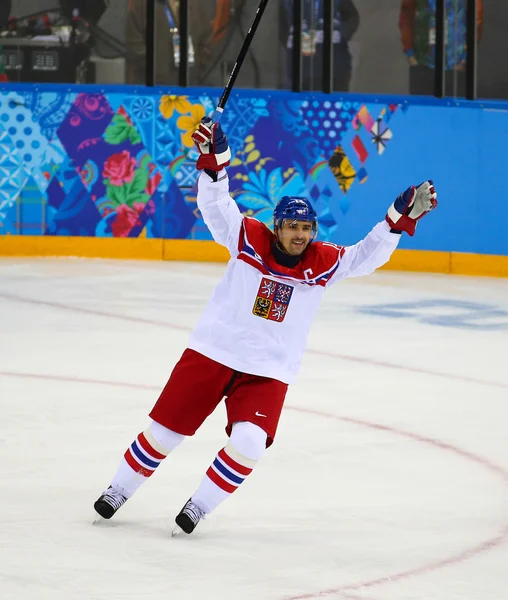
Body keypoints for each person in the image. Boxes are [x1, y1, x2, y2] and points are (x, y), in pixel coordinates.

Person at [93, 116, 438, 536]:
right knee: (164, 434)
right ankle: (118, 491)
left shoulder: (322, 262)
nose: (300, 234)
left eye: (307, 227)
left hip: (268, 370)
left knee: (250, 444)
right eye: (292, 226)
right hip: (212, 351)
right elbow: (216, 207)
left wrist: (394, 222)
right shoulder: (247, 238)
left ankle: (198, 507)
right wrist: (215, 164)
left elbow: (365, 256)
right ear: (277, 227)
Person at [399, 0, 483, 97]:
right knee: (423, 106)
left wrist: (466, 55)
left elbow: (476, 18)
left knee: (454, 107)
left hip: (455, 61)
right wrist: (410, 52)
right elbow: (406, 14)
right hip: (423, 61)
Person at [280, 0, 360, 92]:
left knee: (333, 101)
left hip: (334, 64)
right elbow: (283, 27)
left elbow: (351, 18)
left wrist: (341, 35)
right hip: (300, 66)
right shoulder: (287, 2)